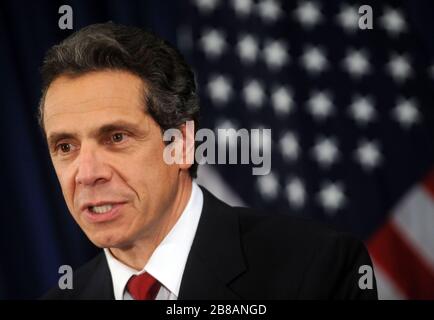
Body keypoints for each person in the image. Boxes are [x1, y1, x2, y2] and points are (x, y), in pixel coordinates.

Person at [40, 22, 377, 300]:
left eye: (116, 138)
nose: (86, 174)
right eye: (65, 146)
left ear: (183, 144)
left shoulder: (316, 269)